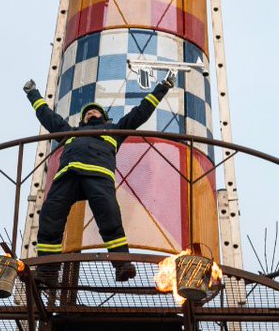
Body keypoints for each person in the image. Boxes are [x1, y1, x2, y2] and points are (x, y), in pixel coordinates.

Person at [24, 74, 174, 282]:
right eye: (87, 112)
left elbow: (141, 113)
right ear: (82, 120)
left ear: (104, 117)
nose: (91, 113)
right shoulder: (70, 132)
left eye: (95, 111)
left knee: (109, 216)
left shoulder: (114, 130)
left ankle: (122, 263)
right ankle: (48, 271)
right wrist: (33, 94)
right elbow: (48, 117)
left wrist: (162, 88)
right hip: (67, 176)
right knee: (50, 216)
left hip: (98, 175)